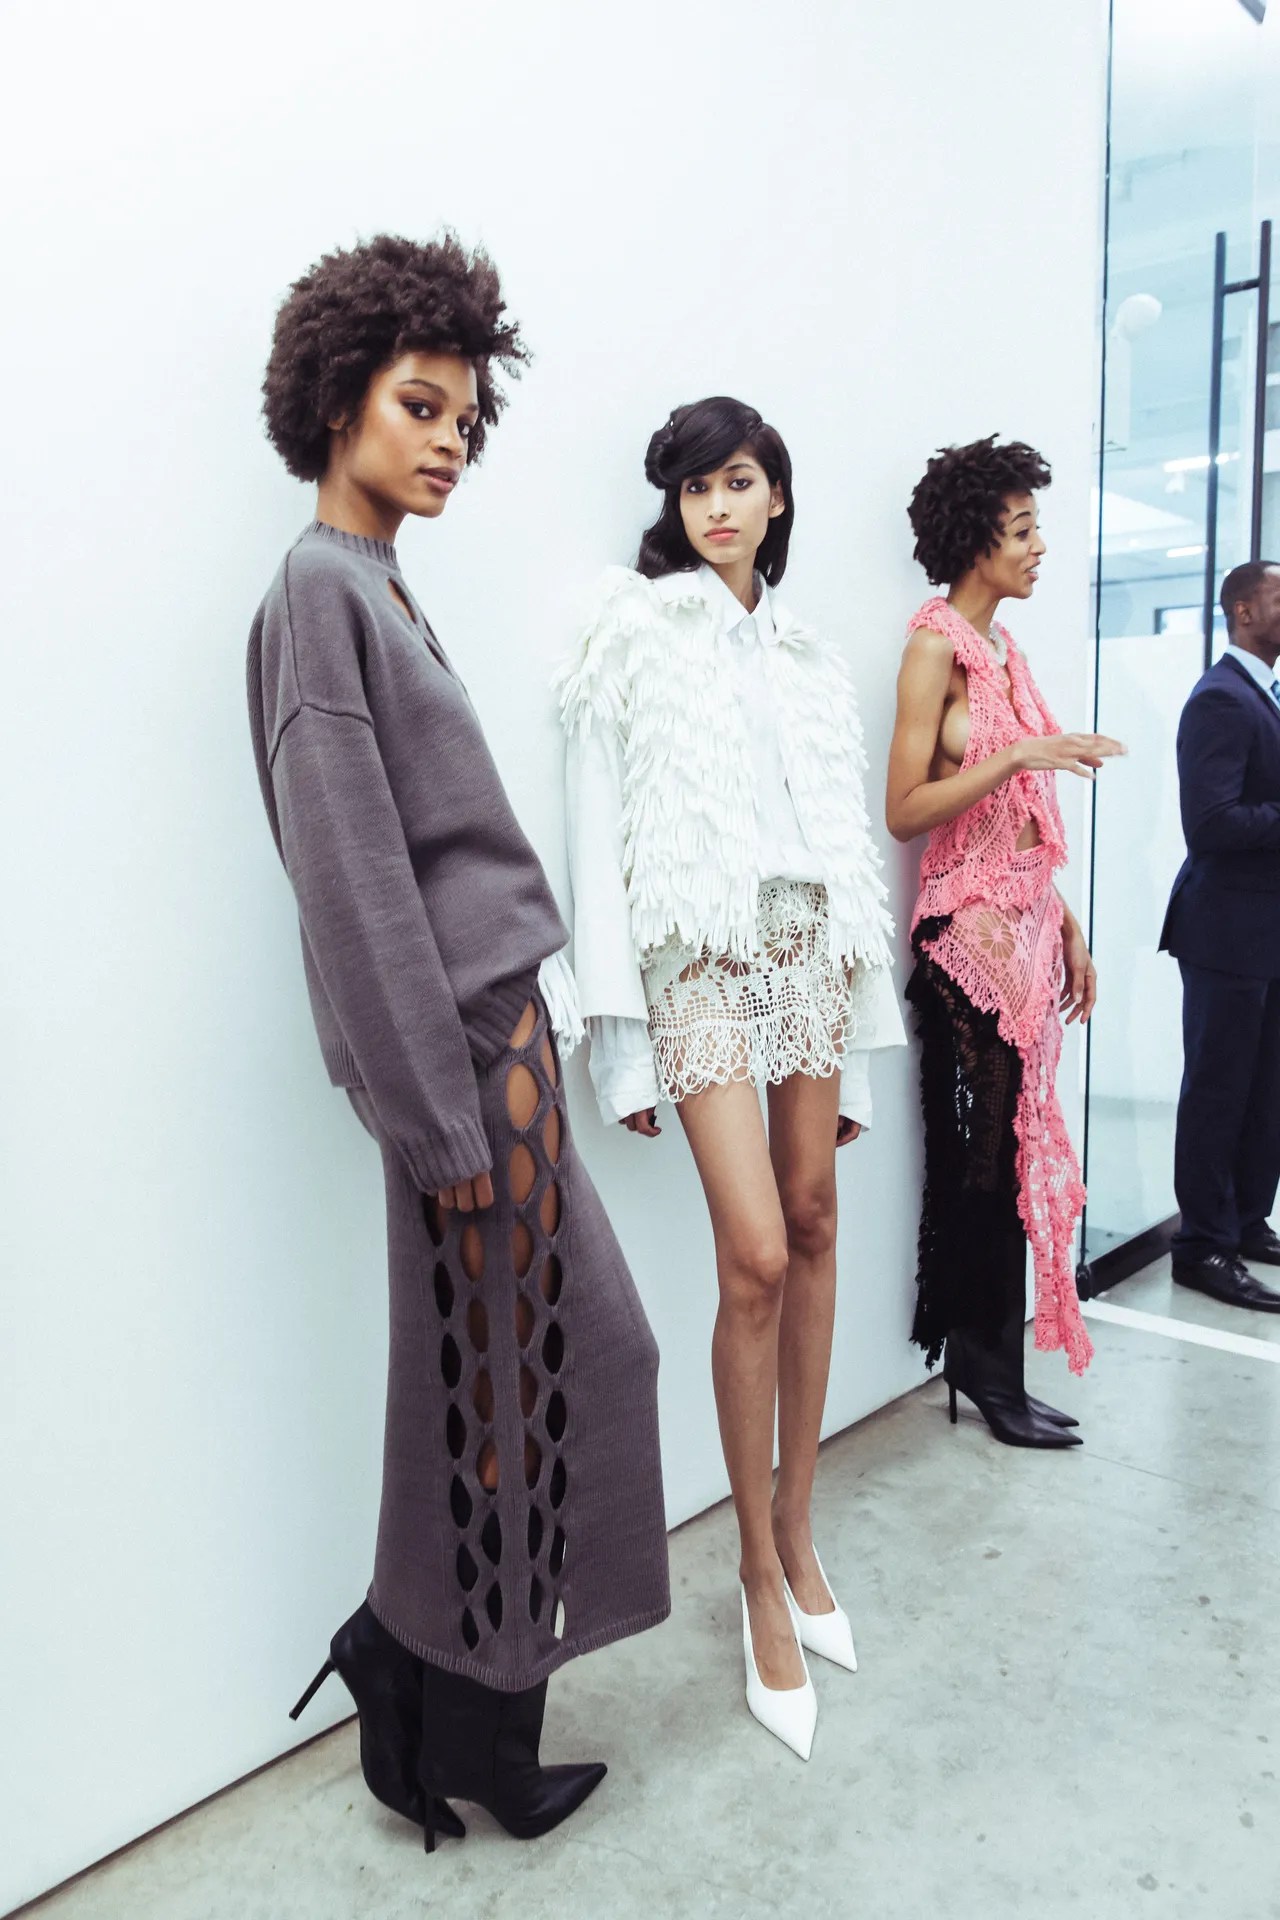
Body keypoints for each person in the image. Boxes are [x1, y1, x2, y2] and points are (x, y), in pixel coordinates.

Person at [246, 233, 670, 1849]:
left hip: (500, 1044)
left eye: (466, 422)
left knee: (517, 1382)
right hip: (466, 1063)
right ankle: (466, 1708)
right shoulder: (318, 594)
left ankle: (428, 1678)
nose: (448, 442)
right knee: (526, 1382)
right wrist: (436, 1117)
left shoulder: (373, 588)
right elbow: (353, 885)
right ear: (335, 401)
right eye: (419, 406)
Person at [557, 397, 904, 1760]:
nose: (714, 506)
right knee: (752, 1253)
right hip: (696, 949)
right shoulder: (633, 631)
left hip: (808, 941)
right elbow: (599, 833)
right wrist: (621, 1040)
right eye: (694, 486)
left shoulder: (809, 655)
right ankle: (754, 1569)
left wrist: (857, 1040)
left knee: (813, 1217)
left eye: (738, 481)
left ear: (776, 498)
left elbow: (838, 849)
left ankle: (801, 1530)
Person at [886, 436, 1124, 1448]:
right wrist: (1020, 750)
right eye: (1021, 528)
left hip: (1023, 940)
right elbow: (906, 808)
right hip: (962, 950)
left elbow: (1020, 824)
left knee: (1013, 1158)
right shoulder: (933, 647)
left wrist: (1066, 925)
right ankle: (983, 1374)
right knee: (979, 1169)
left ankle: (998, 1372)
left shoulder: (1005, 652)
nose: (1037, 546)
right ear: (975, 538)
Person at [1159, 560, 1280, 1312]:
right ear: (1243, 610)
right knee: (1218, 1091)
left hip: (1265, 933)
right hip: (1225, 932)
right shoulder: (1220, 698)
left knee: (1265, 1091)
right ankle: (1201, 1245)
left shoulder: (1263, 695)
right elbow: (1210, 824)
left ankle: (1244, 1222)